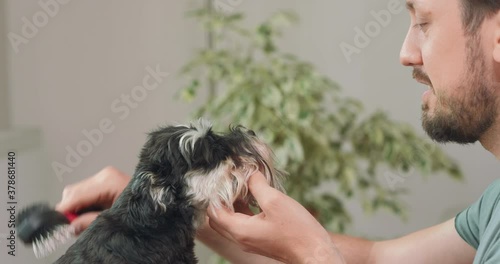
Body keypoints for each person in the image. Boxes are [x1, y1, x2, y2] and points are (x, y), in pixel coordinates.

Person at [56, 0, 500, 263]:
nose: (406, 53)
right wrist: (167, 210)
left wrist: (313, 255)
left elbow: (321, 254)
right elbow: (375, 259)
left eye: (424, 21)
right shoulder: (494, 204)